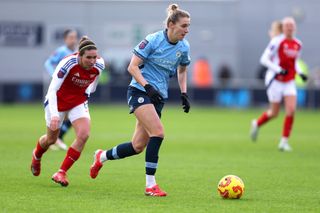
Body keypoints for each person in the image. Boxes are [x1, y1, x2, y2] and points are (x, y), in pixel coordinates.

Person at [90, 3, 191, 197]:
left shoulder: (184, 47)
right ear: (171, 24)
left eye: (188, 26)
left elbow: (183, 69)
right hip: (139, 91)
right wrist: (147, 87)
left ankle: (101, 157)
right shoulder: (153, 40)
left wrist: (184, 93)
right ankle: (150, 186)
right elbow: (132, 67)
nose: (186, 30)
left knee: (137, 146)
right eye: (183, 26)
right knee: (158, 133)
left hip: (158, 97)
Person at [31, 36, 105, 186]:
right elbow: (52, 90)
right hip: (57, 102)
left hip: (78, 102)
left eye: (94, 57)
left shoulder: (99, 65)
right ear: (79, 55)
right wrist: (54, 115)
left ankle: (61, 172)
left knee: (84, 135)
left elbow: (94, 85)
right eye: (88, 58)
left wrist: (85, 94)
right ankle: (37, 155)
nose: (92, 61)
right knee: (51, 140)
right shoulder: (67, 63)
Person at [250, 17, 308, 151]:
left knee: (291, 110)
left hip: (289, 82)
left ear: (295, 27)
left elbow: (295, 62)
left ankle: (284, 141)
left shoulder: (298, 44)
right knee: (274, 113)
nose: (289, 28)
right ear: (283, 28)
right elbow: (264, 59)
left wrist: (300, 73)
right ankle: (257, 123)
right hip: (275, 80)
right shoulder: (277, 41)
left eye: (291, 25)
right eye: (287, 25)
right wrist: (278, 69)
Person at [44, 29, 79, 150]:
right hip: (59, 87)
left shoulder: (77, 52)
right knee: (59, 113)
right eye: (70, 37)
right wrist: (54, 74)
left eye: (74, 37)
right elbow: (48, 63)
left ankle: (56, 138)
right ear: (65, 39)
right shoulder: (61, 51)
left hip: (72, 88)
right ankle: (54, 138)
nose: (73, 40)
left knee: (72, 114)